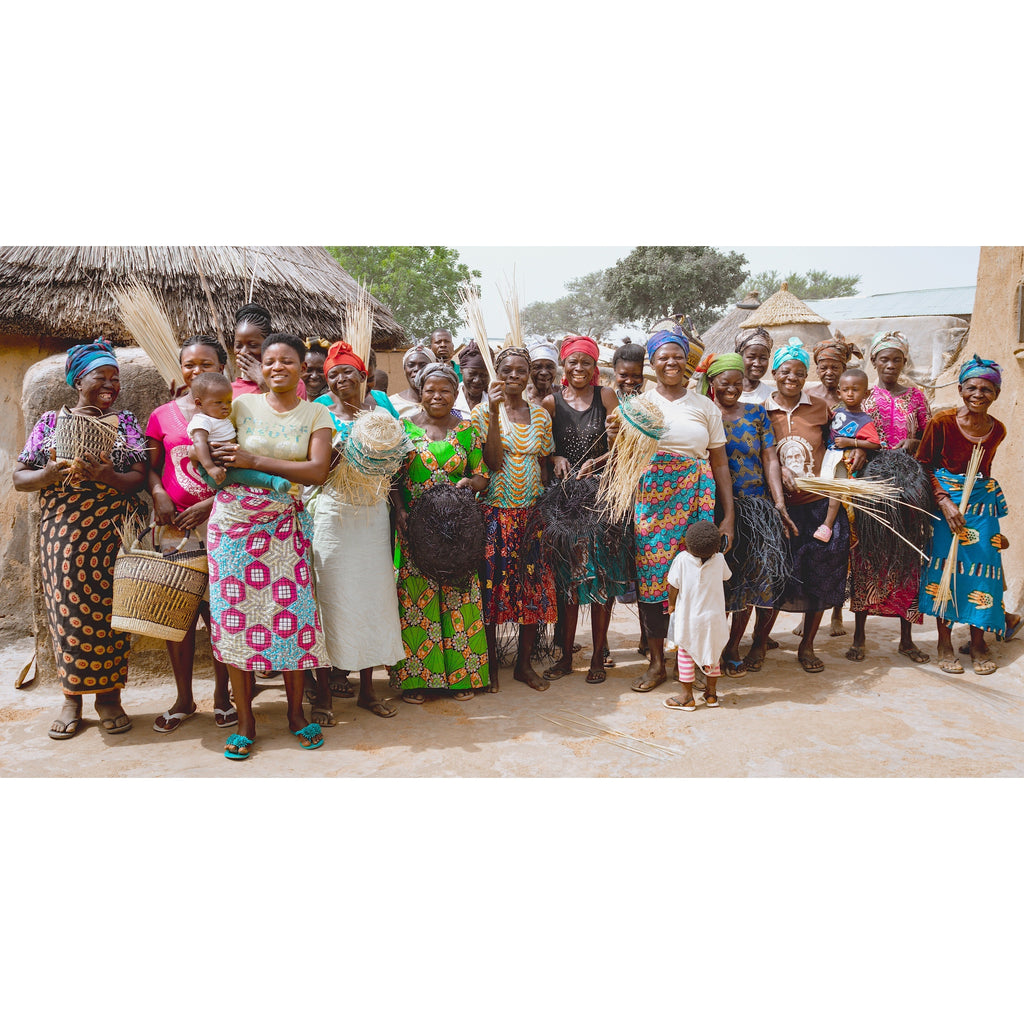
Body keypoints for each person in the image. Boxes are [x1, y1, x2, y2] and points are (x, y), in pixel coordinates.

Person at [206, 332, 333, 759]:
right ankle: (246, 723)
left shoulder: (317, 414)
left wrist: (254, 460)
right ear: (260, 368)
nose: (277, 367)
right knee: (234, 618)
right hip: (233, 526)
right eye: (269, 361)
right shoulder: (239, 406)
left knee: (291, 618)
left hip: (285, 526)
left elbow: (316, 471)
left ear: (301, 368)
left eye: (287, 361)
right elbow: (217, 459)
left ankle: (296, 715)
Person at [15, 340, 147, 739]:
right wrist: (50, 474)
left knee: (111, 614)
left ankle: (109, 697)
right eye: (99, 376)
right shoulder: (49, 426)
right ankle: (72, 696)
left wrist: (107, 477)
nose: (109, 384)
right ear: (77, 381)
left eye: (114, 378)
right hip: (64, 534)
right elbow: (21, 479)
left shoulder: (125, 424)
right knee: (67, 611)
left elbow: (139, 477)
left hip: (111, 533)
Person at [630, 325, 735, 694]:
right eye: (663, 356)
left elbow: (720, 463)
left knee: (697, 579)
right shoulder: (639, 406)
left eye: (677, 355)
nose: (671, 362)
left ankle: (692, 661)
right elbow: (623, 458)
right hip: (651, 504)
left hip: (695, 499)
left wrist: (728, 516)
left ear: (686, 362)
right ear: (653, 363)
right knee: (654, 581)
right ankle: (658, 663)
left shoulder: (704, 406)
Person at [308, 341, 405, 724]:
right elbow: (314, 466)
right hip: (333, 515)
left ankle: (368, 690)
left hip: (372, 516)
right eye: (333, 374)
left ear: (363, 374)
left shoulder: (380, 410)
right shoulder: (319, 413)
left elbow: (396, 463)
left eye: (347, 371)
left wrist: (398, 510)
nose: (340, 379)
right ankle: (325, 695)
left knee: (372, 599)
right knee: (330, 598)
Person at [146, 337, 236, 733]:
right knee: (176, 616)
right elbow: (149, 466)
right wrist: (158, 492)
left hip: (223, 523)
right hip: (172, 529)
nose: (196, 370)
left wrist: (212, 504)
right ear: (179, 367)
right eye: (189, 364)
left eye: (206, 363)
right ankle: (184, 699)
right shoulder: (161, 415)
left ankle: (223, 697)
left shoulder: (232, 412)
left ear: (222, 365)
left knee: (219, 615)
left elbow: (241, 470)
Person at [744, 339, 850, 674]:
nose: (793, 377)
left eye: (800, 373)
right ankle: (760, 643)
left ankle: (806, 647)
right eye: (786, 371)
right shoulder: (759, 410)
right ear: (774, 373)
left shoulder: (820, 408)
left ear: (807, 377)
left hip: (817, 506)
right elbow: (759, 453)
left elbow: (835, 451)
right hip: (777, 510)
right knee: (772, 577)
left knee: (818, 577)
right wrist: (780, 468)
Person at [391, 362, 490, 701]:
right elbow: (392, 479)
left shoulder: (467, 430)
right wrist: (400, 510)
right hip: (416, 529)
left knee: (459, 599)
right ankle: (418, 681)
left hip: (457, 531)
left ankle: (463, 679)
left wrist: (470, 483)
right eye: (430, 390)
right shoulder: (403, 429)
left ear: (455, 393)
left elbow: (481, 475)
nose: (437, 396)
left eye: (445, 390)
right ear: (420, 393)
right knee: (417, 603)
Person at [696, 352, 796, 677]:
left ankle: (733, 646)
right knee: (720, 584)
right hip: (715, 511)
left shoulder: (756, 414)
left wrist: (778, 503)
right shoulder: (704, 415)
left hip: (757, 508)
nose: (733, 389)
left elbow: (770, 459)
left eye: (738, 384)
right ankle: (711, 647)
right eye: (726, 383)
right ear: (712, 383)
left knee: (752, 581)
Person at [917, 355, 1015, 675]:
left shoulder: (996, 430)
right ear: (960, 389)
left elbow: (984, 471)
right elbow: (923, 464)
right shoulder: (942, 422)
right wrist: (944, 500)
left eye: (986, 390)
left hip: (981, 506)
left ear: (996, 395)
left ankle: (977, 641)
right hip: (947, 505)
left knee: (984, 570)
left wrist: (985, 511)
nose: (978, 394)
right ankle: (944, 642)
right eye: (971, 388)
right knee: (946, 569)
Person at [540, 335, 628, 684]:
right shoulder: (550, 403)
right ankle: (565, 656)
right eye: (573, 362)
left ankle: (596, 657)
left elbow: (625, 444)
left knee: (601, 578)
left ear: (595, 367)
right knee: (568, 581)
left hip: (601, 498)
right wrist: (555, 455)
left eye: (586, 363)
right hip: (564, 502)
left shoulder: (606, 396)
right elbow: (541, 448)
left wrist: (601, 457)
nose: (579, 368)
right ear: (564, 365)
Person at [846, 331, 934, 663]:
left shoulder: (917, 397)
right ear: (874, 362)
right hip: (873, 484)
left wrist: (913, 444)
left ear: (904, 362)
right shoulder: (865, 399)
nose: (891, 365)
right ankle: (859, 636)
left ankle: (907, 639)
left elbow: (926, 435)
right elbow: (853, 438)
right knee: (867, 555)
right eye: (884, 359)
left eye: (897, 359)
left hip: (909, 485)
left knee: (908, 557)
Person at [474, 348, 558, 691]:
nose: (513, 376)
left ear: (528, 375)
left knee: (532, 592)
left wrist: (545, 509)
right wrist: (494, 412)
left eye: (520, 370)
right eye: (506, 370)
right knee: (492, 593)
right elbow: (492, 462)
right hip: (496, 513)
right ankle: (492, 668)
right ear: (497, 372)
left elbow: (544, 463)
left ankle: (524, 666)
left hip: (532, 516)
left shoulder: (540, 415)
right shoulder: (483, 412)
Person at [662, 520, 731, 711]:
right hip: (714, 620)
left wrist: (672, 604)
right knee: (712, 654)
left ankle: (686, 697)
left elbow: (673, 586)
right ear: (717, 546)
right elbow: (727, 576)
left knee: (686, 655)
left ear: (687, 544)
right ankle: (711, 695)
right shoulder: (719, 559)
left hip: (689, 620)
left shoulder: (682, 559)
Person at [187, 372, 291, 493]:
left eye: (228, 402)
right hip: (215, 470)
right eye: (218, 402)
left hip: (227, 464)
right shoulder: (202, 421)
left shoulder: (220, 418)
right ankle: (272, 482)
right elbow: (199, 444)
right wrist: (210, 468)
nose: (225, 406)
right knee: (240, 474)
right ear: (199, 403)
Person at [814, 367, 884, 544]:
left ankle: (827, 525)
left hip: (844, 459)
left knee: (836, 491)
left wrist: (851, 443)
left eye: (855, 390)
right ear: (839, 392)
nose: (850, 394)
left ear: (866, 393)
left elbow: (875, 443)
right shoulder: (836, 412)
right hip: (829, 456)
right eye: (845, 390)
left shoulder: (864, 420)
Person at [611, 342, 650, 654]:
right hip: (612, 496)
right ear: (614, 372)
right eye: (624, 375)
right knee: (613, 568)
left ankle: (646, 637)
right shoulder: (606, 401)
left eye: (636, 376)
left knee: (645, 569)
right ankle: (605, 644)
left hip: (647, 495)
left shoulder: (650, 404)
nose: (630, 381)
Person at [231, 303, 308, 399]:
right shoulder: (230, 390)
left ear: (268, 345)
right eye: (238, 346)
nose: (243, 352)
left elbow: (290, 412)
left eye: (253, 345)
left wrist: (263, 382)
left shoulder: (292, 383)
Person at [805, 332, 862, 412]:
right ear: (817, 370)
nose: (829, 373)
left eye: (835, 368)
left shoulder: (850, 398)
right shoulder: (807, 396)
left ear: (844, 369)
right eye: (823, 368)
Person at [392, 342, 436, 418]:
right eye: (411, 365)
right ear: (404, 370)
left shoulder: (442, 402)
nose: (416, 369)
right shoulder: (392, 404)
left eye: (423, 365)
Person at [735, 327, 774, 404]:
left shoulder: (773, 396)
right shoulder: (727, 394)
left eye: (763, 358)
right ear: (740, 357)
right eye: (751, 357)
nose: (757, 363)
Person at [454, 340, 490, 415]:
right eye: (472, 374)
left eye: (483, 375)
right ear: (461, 370)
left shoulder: (495, 402)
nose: (477, 380)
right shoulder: (451, 399)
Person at [525, 340, 559, 405]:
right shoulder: (522, 395)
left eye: (549, 367)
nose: (544, 372)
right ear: (529, 370)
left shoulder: (564, 395)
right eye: (537, 367)